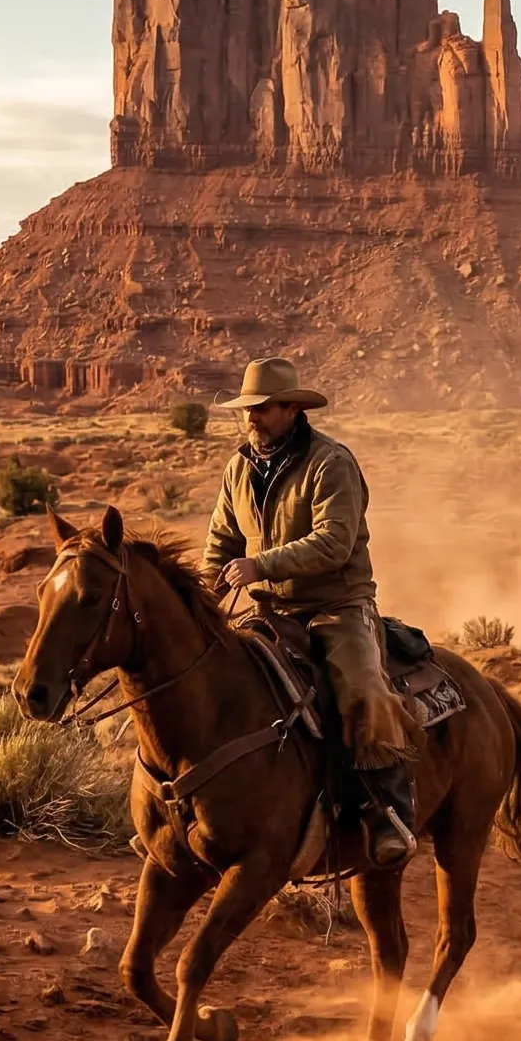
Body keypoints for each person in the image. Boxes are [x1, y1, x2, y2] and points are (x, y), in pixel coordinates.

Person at [201, 356, 418, 868]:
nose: (252, 419)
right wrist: (202, 600)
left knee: (361, 686)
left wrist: (262, 565)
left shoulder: (331, 462)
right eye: (247, 410)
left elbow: (335, 542)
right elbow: (219, 543)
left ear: (293, 409)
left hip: (336, 606)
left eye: (264, 409)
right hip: (268, 610)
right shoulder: (239, 468)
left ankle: (386, 809)